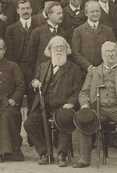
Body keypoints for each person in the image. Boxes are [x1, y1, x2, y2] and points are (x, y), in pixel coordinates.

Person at [73, 42, 117, 170]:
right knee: (83, 119)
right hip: (98, 108)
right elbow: (84, 92)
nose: (110, 54)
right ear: (102, 55)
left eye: (113, 51)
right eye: (107, 52)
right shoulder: (93, 72)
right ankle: (84, 158)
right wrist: (85, 104)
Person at [24, 36, 82, 166]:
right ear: (49, 50)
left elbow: (78, 90)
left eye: (62, 47)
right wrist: (34, 82)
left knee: (65, 118)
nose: (59, 50)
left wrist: (72, 103)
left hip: (63, 106)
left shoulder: (74, 69)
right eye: (56, 47)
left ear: (67, 50)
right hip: (44, 106)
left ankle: (62, 154)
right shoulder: (43, 66)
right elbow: (34, 81)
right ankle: (44, 153)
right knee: (29, 123)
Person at [71, 0, 115, 74]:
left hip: (105, 71)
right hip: (85, 72)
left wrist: (103, 67)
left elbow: (113, 51)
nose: (95, 14)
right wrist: (89, 67)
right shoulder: (78, 31)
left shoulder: (108, 30)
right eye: (92, 11)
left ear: (100, 13)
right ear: (86, 13)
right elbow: (76, 54)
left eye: (97, 11)